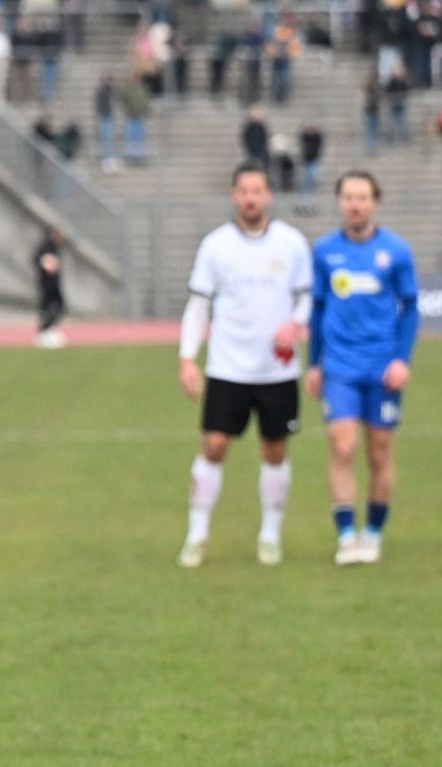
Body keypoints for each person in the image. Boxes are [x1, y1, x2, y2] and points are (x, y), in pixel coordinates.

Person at [174, 163, 311, 569]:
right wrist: (187, 358)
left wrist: (296, 322)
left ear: (269, 195)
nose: (251, 197)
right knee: (214, 446)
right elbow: (198, 306)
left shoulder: (291, 243)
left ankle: (270, 535)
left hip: (277, 371)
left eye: (257, 190)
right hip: (228, 367)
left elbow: (306, 297)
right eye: (244, 191)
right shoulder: (216, 245)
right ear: (234, 195)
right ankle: (196, 534)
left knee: (275, 451)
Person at [306, 172, 419, 566]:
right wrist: (314, 364)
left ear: (375, 202)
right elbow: (318, 308)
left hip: (382, 367)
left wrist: (401, 359)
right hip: (339, 366)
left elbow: (411, 308)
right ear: (339, 201)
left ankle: (373, 532)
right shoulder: (324, 251)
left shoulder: (396, 251)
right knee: (343, 446)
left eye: (362, 197)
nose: (355, 204)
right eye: (349, 197)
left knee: (379, 451)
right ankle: (346, 536)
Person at [33, 225, 66, 348]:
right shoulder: (46, 247)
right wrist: (46, 264)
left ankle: (49, 330)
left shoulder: (55, 248)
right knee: (49, 308)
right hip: (47, 284)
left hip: (54, 284)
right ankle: (45, 332)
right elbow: (37, 260)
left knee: (57, 307)